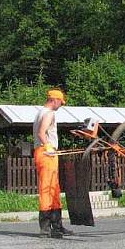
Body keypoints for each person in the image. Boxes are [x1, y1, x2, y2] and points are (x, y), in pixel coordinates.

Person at [33, 89, 74, 237]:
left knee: (54, 188)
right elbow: (41, 132)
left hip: (45, 152)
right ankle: (45, 228)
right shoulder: (49, 113)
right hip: (46, 152)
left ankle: (57, 226)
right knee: (47, 189)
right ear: (54, 100)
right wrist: (48, 146)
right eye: (60, 102)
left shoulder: (39, 112)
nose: (60, 105)